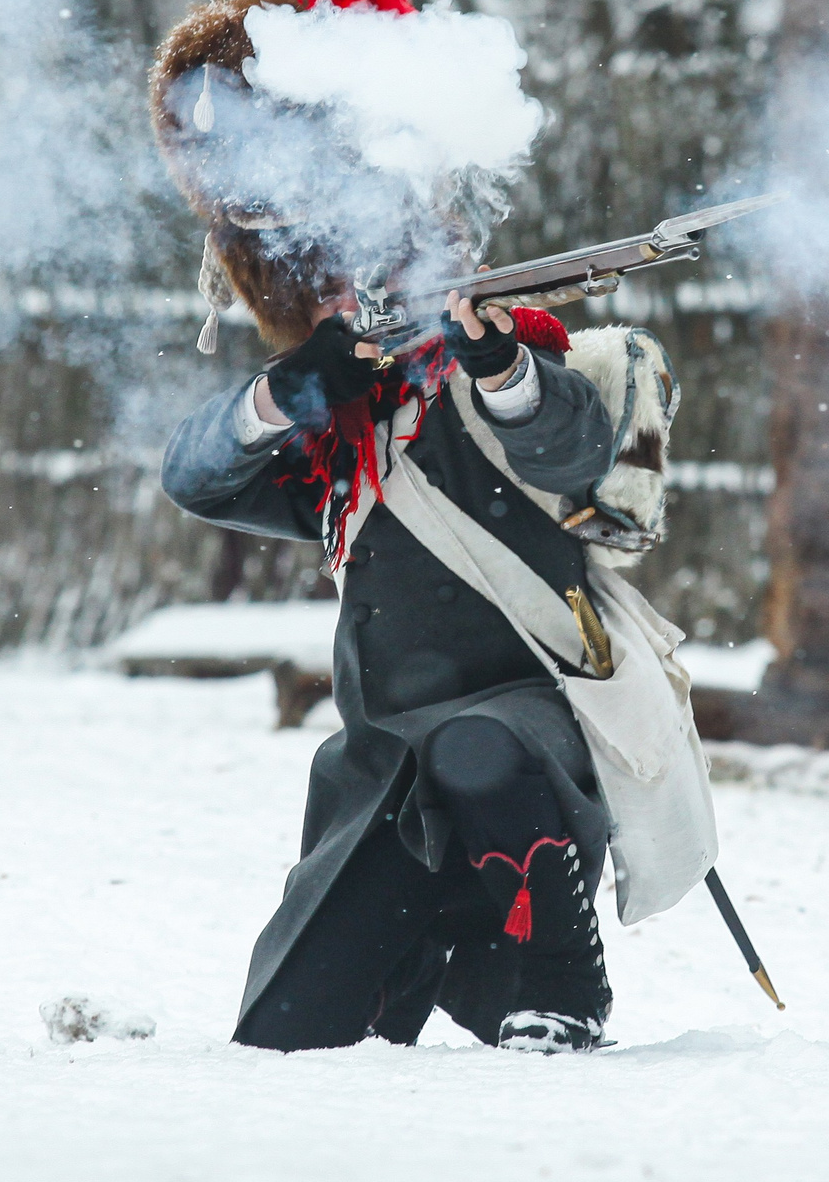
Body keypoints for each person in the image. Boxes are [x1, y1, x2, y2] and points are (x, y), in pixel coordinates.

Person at [162, 286, 629, 1054]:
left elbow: (575, 447)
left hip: (528, 725)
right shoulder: (334, 438)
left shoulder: (505, 368)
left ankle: (566, 982)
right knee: (284, 1031)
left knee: (476, 747)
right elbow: (193, 475)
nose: (346, 306)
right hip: (386, 762)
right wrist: (284, 393)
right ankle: (414, 960)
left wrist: (501, 366)